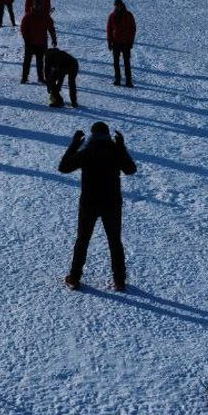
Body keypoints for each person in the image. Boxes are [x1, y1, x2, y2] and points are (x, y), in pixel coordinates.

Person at [59, 122, 137, 292]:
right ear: (108, 135)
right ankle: (119, 281)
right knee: (114, 241)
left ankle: (74, 278)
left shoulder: (86, 152)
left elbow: (63, 168)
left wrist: (74, 145)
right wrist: (122, 147)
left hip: (89, 203)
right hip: (112, 203)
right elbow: (131, 169)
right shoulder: (115, 152)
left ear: (92, 135)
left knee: (83, 240)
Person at [19, 8, 57, 84]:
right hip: (30, 43)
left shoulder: (45, 16)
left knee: (40, 61)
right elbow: (23, 28)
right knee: (27, 61)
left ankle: (40, 78)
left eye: (39, 5)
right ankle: (24, 77)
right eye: (36, 5)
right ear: (33, 5)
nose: (38, 6)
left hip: (41, 43)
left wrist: (54, 38)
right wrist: (26, 39)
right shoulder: (28, 16)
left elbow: (51, 28)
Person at [106, 0, 136, 87]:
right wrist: (109, 41)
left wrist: (130, 42)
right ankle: (117, 79)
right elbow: (109, 29)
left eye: (119, 5)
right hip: (116, 42)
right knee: (116, 62)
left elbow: (132, 29)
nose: (118, 7)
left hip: (126, 42)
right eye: (116, 6)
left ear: (122, 5)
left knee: (127, 62)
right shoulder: (112, 16)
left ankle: (128, 80)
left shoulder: (128, 15)